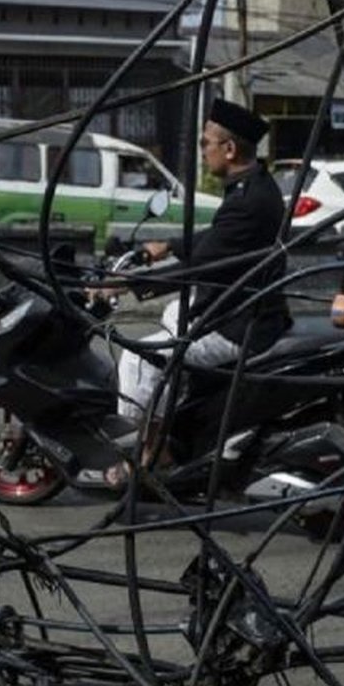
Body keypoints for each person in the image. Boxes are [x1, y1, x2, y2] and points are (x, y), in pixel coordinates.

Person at [106, 99, 291, 488]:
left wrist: (127, 284)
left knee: (137, 359)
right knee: (172, 316)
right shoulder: (253, 188)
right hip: (239, 308)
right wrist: (166, 246)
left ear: (230, 149)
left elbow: (200, 267)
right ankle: (176, 415)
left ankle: (151, 453)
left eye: (206, 143)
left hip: (239, 325)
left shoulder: (248, 201)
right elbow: (217, 240)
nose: (203, 150)